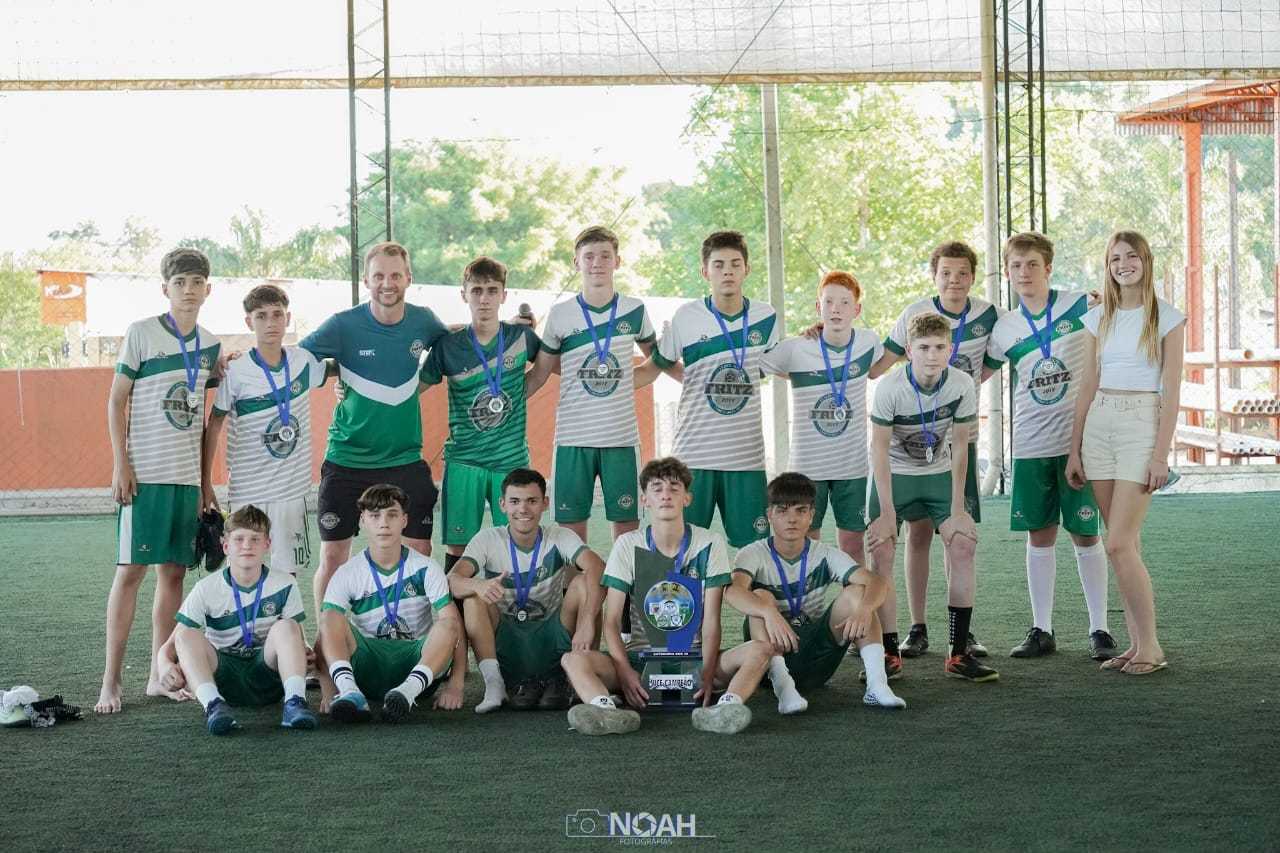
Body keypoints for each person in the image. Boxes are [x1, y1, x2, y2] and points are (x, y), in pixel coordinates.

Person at [96, 247, 224, 714]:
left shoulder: (211, 346)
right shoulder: (142, 333)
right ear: (165, 288)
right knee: (130, 572)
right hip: (144, 477)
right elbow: (116, 401)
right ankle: (111, 681)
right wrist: (121, 464)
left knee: (173, 573)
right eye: (180, 283)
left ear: (208, 289)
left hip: (186, 481)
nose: (189, 290)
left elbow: (206, 417)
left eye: (197, 283)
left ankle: (157, 674)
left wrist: (205, 483)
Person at [560, 457, 772, 735]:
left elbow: (712, 621)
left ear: (687, 498)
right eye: (657, 488)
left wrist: (708, 672)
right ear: (644, 500)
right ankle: (607, 711)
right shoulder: (628, 544)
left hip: (695, 658)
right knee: (573, 659)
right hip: (639, 660)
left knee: (761, 649)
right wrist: (624, 671)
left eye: (674, 487)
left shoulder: (709, 542)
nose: (665, 495)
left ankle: (725, 709)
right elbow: (611, 621)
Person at [299, 241, 448, 618]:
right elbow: (299, 357)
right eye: (378, 275)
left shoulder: (424, 321)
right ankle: (327, 642)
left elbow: (454, 344)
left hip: (404, 459)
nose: (387, 283)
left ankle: (412, 635)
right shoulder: (342, 324)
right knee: (334, 556)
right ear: (366, 280)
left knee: (420, 551)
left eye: (395, 275)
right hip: (347, 459)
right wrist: (337, 372)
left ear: (408, 278)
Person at [984, 232, 1115, 661]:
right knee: (1039, 535)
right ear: (1007, 272)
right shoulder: (1004, 327)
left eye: (1032, 265)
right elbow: (972, 369)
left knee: (1085, 533)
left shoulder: (1080, 305)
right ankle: (1042, 629)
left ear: (1048, 268)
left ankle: (1099, 629)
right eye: (1016, 266)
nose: (1024, 273)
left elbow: (1122, 323)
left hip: (1078, 442)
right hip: (1030, 442)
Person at [871, 241, 1001, 660]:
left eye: (962, 273)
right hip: (899, 469)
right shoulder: (894, 377)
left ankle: (959, 643)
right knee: (900, 540)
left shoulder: (986, 322)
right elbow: (876, 367)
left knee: (960, 538)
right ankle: (903, 637)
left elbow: (1007, 347)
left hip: (946, 459)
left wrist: (960, 505)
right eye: (946, 273)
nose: (954, 280)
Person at [1066, 230, 1183, 675]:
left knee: (1116, 543)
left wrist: (1160, 455)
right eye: (1115, 258)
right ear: (1108, 266)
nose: (1123, 265)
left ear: (1146, 261)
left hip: (1142, 424)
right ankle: (1136, 645)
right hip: (1100, 424)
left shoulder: (1167, 317)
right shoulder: (1098, 318)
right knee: (1126, 545)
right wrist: (1074, 449)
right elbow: (1087, 384)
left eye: (1131, 256)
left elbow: (1172, 391)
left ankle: (1151, 647)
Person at [727, 472, 905, 713]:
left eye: (800, 510)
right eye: (782, 511)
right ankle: (784, 689)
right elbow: (733, 592)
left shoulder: (825, 554)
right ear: (769, 515)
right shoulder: (752, 553)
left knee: (858, 592)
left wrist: (865, 609)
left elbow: (877, 582)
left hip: (816, 662)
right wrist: (769, 612)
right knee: (761, 597)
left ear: (811, 515)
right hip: (767, 661)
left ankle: (877, 685)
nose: (792, 519)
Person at [646, 231, 779, 548]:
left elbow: (773, 367)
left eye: (735, 264)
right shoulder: (686, 316)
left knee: (754, 549)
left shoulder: (766, 317)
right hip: (694, 457)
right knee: (678, 545)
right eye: (718, 265)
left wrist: (818, 336)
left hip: (746, 459)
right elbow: (656, 365)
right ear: (705, 272)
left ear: (747, 269)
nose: (727, 271)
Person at [419, 256, 548, 570]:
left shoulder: (521, 338)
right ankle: (458, 603)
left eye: (492, 290)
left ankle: (516, 600)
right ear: (464, 294)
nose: (484, 298)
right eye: (476, 290)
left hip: (510, 459)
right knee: (459, 546)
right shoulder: (448, 346)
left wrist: (520, 392)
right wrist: (348, 388)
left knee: (519, 538)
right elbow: (411, 389)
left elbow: (547, 366)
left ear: (504, 295)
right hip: (465, 460)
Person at [535, 226, 657, 543]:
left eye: (605, 255)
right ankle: (578, 580)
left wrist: (624, 380)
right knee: (570, 535)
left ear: (617, 261)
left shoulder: (635, 309)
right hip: (572, 439)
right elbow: (540, 372)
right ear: (576, 262)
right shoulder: (560, 314)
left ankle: (627, 580)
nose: (597, 263)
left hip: (621, 438)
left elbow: (656, 362)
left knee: (628, 534)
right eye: (589, 256)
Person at [449, 468, 606, 712]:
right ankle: (495, 684)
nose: (523, 509)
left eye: (532, 501)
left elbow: (598, 567)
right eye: (515, 501)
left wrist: (586, 622)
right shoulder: (487, 539)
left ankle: (578, 675)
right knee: (472, 598)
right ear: (502, 505)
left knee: (585, 582)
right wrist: (478, 585)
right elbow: (452, 580)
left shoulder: (559, 536)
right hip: (505, 642)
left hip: (554, 638)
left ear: (545, 503)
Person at [201, 284, 330, 576]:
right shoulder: (235, 371)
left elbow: (341, 369)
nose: (270, 322)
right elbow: (214, 425)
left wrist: (344, 388)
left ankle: (285, 611)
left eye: (277, 314)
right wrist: (205, 482)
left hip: (291, 492)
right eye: (261, 316)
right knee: (243, 570)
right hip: (248, 489)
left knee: (288, 574)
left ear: (288, 318)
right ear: (249, 322)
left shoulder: (302, 361)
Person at [760, 270, 881, 568]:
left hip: (852, 466)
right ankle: (806, 596)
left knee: (852, 543)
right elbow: (755, 364)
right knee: (805, 542)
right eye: (829, 302)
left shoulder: (869, 342)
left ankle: (854, 598)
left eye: (844, 302)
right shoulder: (796, 348)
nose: (836, 309)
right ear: (818, 307)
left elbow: (902, 354)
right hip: (807, 467)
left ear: (857, 310)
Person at [315, 484, 463, 723]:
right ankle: (350, 691)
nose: (384, 523)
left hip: (418, 666)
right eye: (375, 516)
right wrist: (328, 689)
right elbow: (324, 634)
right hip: (366, 669)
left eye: (392, 515)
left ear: (404, 520)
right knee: (329, 616)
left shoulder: (426, 567)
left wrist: (455, 685)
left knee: (448, 623)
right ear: (362, 520)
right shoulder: (347, 573)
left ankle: (406, 693)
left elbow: (455, 629)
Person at [162, 505, 315, 734]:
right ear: (225, 546)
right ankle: (213, 706)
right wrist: (164, 665)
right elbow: (171, 646)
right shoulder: (205, 588)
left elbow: (297, 638)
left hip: (268, 678)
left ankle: (294, 702)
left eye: (255, 539)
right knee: (186, 634)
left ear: (267, 544)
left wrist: (305, 652)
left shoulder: (285, 583)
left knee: (287, 626)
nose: (247, 546)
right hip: (222, 680)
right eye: (239, 539)